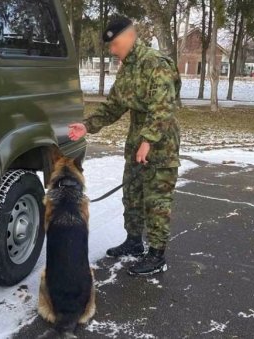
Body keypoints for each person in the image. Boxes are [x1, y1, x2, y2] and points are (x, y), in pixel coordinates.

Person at [68, 17, 181, 276]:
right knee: (132, 193)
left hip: (161, 144)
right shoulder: (128, 68)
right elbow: (114, 106)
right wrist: (87, 125)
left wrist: (148, 141)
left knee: (156, 200)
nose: (112, 50)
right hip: (137, 141)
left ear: (130, 37)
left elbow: (163, 108)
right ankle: (133, 242)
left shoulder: (156, 64)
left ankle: (156, 254)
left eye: (115, 44)